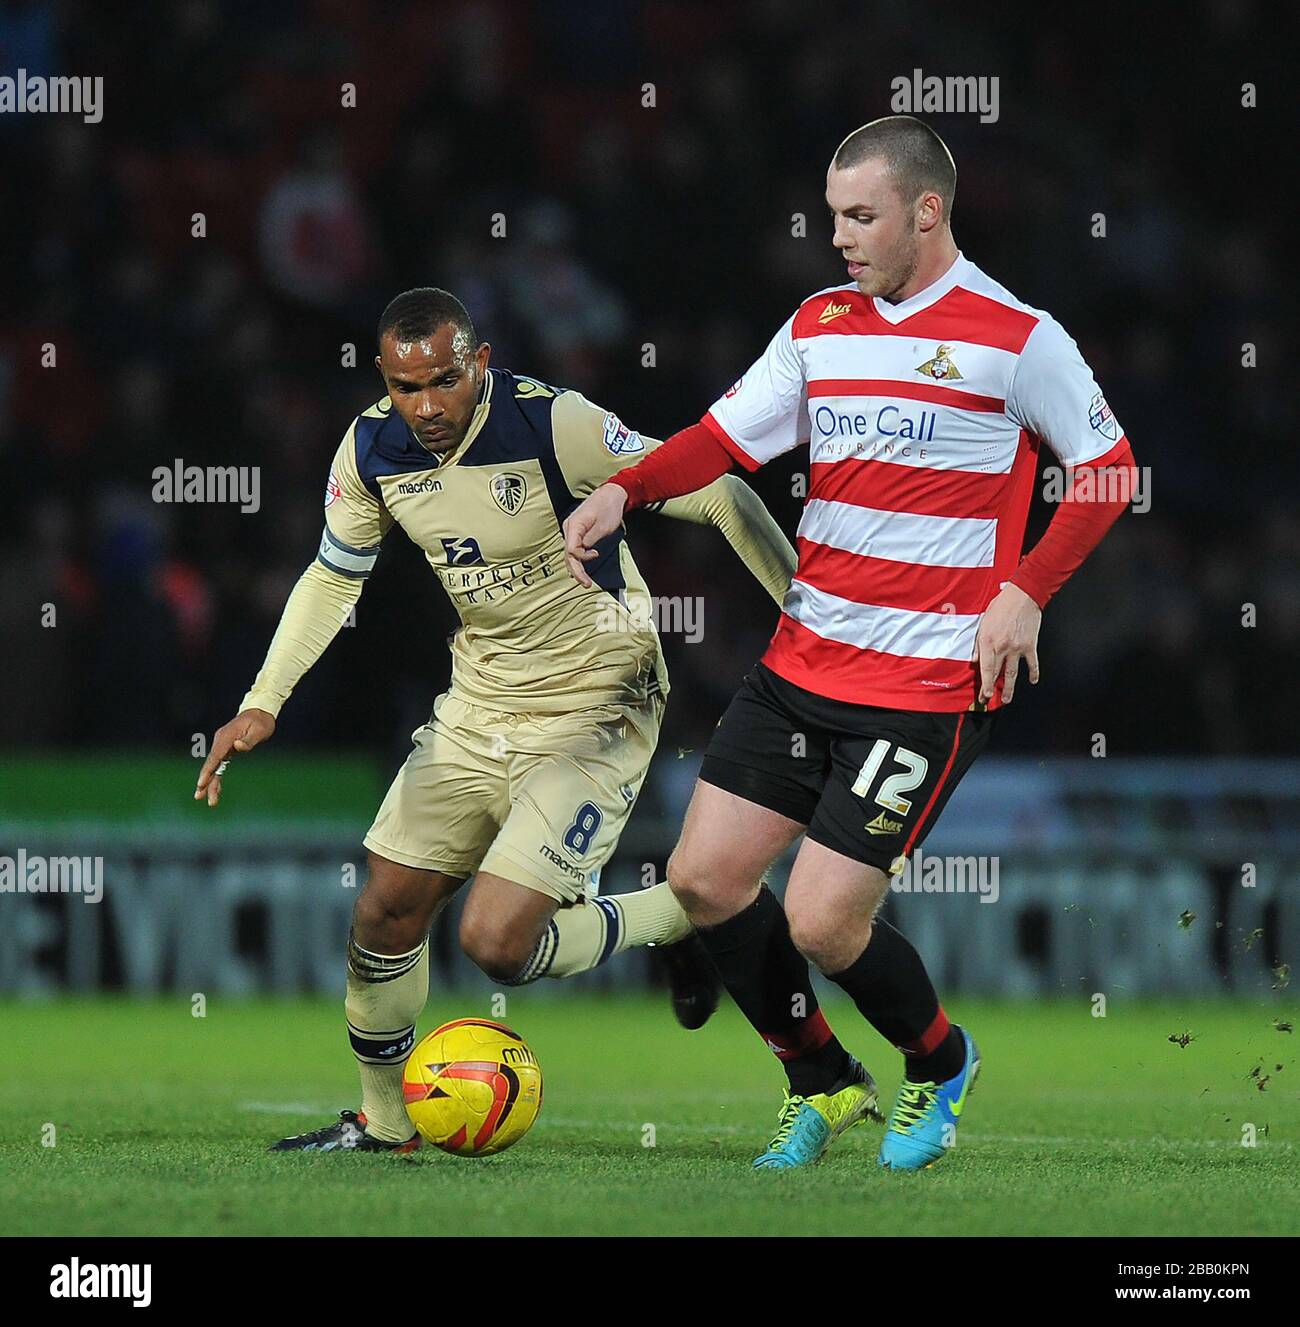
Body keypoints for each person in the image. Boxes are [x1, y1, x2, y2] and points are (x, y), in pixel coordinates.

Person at [563, 117, 1138, 1171]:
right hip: (800, 666)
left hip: (921, 684)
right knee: (703, 882)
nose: (838, 236)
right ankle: (823, 1082)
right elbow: (722, 438)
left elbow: (1106, 469)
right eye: (832, 215)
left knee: (825, 925)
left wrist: (1024, 589)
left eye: (860, 215)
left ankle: (942, 1060)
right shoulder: (819, 323)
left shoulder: (1017, 337)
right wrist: (624, 489)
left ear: (928, 212)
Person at [195, 287, 797, 1153]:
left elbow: (718, 493)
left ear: (478, 363)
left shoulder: (555, 425)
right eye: (408, 388)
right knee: (385, 912)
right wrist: (262, 701)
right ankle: (385, 1123)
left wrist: (802, 619)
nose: (428, 406)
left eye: (445, 380)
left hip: (600, 690)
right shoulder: (371, 449)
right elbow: (333, 577)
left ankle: (686, 910)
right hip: (480, 702)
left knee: (497, 942)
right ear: (383, 379)